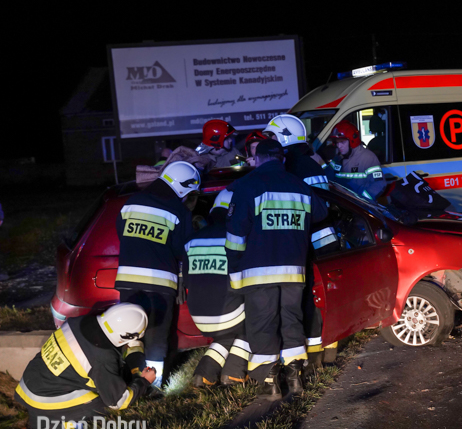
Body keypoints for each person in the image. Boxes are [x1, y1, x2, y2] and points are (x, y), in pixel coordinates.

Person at [225, 139, 327, 399]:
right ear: (281, 159)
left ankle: (270, 382)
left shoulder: (248, 186)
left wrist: (235, 272)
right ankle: (295, 379)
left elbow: (236, 236)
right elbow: (320, 213)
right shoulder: (299, 185)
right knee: (291, 321)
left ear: (257, 159)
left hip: (258, 272)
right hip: (294, 271)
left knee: (263, 324)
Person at [6, 303, 156, 429]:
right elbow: (119, 401)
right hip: (46, 398)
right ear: (126, 335)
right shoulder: (101, 358)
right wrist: (143, 381)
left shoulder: (78, 321)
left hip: (32, 383)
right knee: (102, 408)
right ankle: (70, 427)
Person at [115, 161, 200, 387]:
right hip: (159, 283)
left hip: (128, 281)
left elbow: (121, 234)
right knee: (156, 337)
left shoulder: (130, 203)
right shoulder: (178, 210)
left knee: (132, 334)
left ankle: (133, 381)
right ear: (183, 188)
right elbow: (183, 249)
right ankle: (152, 386)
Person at [263, 114, 331, 362]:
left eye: (273, 137)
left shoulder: (292, 168)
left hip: (309, 240)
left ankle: (315, 354)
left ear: (284, 137)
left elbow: (310, 210)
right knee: (316, 297)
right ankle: (321, 350)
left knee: (309, 299)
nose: (270, 142)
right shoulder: (308, 163)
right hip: (320, 239)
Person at [184, 189, 250, 387]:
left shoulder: (192, 240)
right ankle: (234, 372)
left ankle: (204, 373)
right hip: (229, 314)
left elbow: (188, 280)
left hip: (199, 316)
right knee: (258, 318)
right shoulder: (236, 238)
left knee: (227, 334)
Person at [325, 120, 386, 200]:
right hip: (342, 205)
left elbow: (379, 184)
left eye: (342, 142)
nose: (339, 146)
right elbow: (327, 177)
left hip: (358, 208)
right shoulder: (338, 158)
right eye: (337, 142)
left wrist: (363, 201)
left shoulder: (368, 158)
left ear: (352, 140)